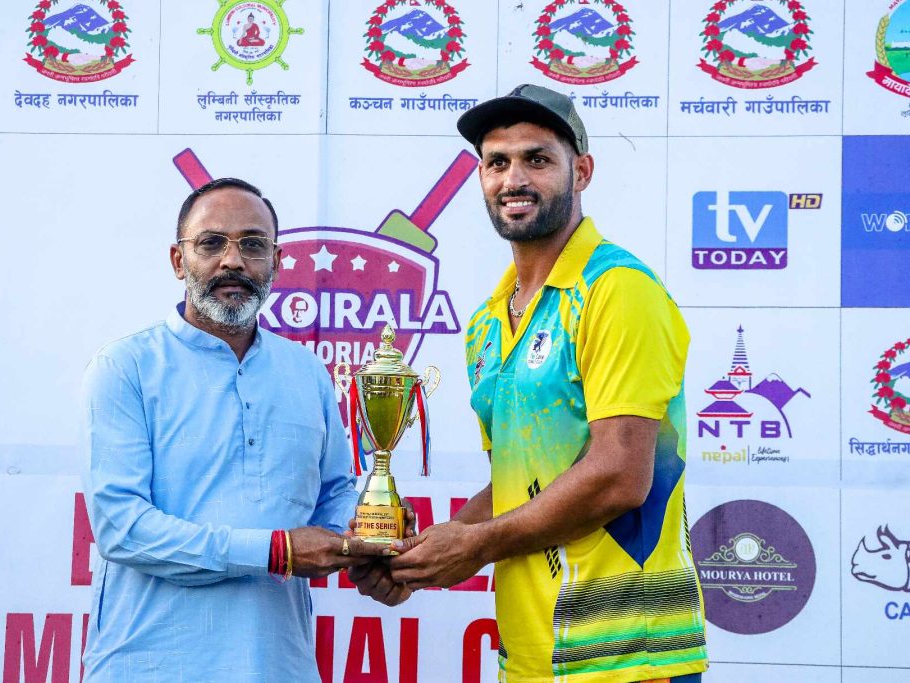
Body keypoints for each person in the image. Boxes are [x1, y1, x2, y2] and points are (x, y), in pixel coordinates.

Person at [388, 85, 709, 682]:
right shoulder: (487, 323)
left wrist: (476, 546)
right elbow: (520, 484)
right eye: (497, 162)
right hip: (530, 650)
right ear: (481, 179)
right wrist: (428, 552)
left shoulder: (617, 289)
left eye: (537, 159)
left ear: (581, 171)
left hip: (626, 655)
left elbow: (618, 475)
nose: (514, 179)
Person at [81, 178, 394, 682]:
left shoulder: (306, 371)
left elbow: (335, 495)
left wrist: (369, 539)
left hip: (278, 664)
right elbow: (123, 529)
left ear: (277, 261)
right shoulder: (126, 367)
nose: (233, 261)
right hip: (150, 665)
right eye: (211, 243)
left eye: (252, 244)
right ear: (178, 261)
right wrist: (276, 551)